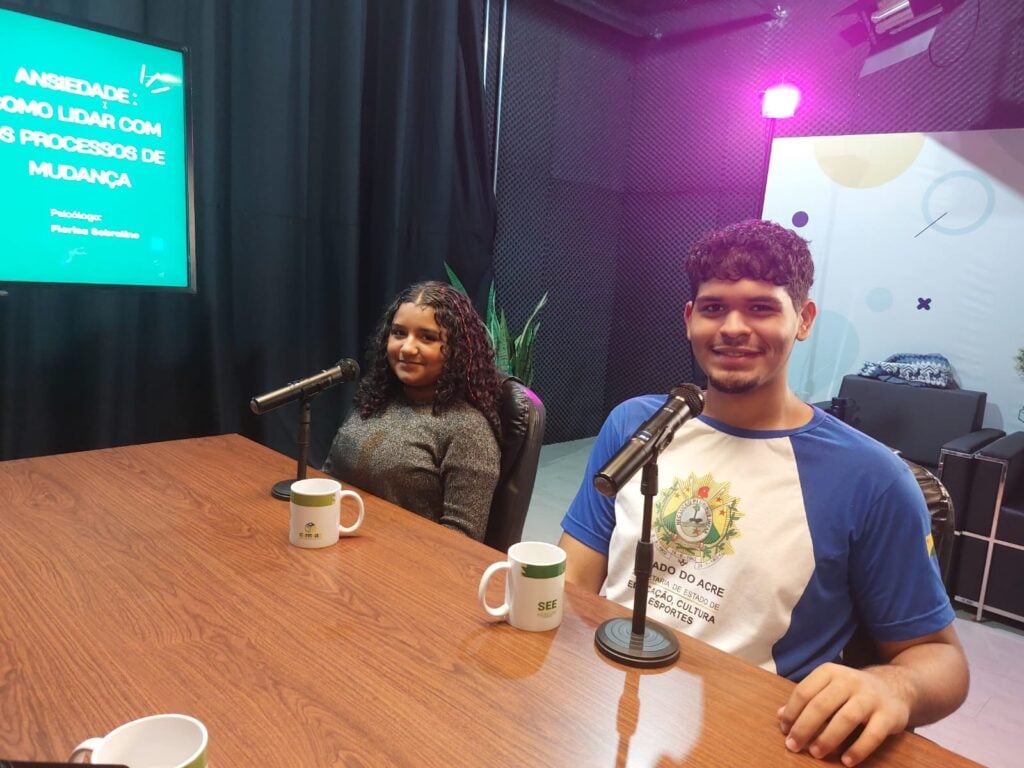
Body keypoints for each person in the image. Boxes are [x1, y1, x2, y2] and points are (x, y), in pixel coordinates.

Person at [558, 220, 968, 767]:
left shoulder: (872, 479)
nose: (732, 327)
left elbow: (941, 661)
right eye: (713, 307)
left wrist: (894, 688)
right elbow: (575, 577)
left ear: (804, 319)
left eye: (760, 308)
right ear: (689, 320)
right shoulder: (637, 425)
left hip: (747, 735)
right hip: (597, 703)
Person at [324, 281, 503, 541]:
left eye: (427, 337)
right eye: (399, 333)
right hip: (340, 541)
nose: (407, 348)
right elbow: (329, 477)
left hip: (405, 569)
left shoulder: (468, 430)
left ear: (457, 351)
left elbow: (461, 542)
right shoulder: (376, 400)